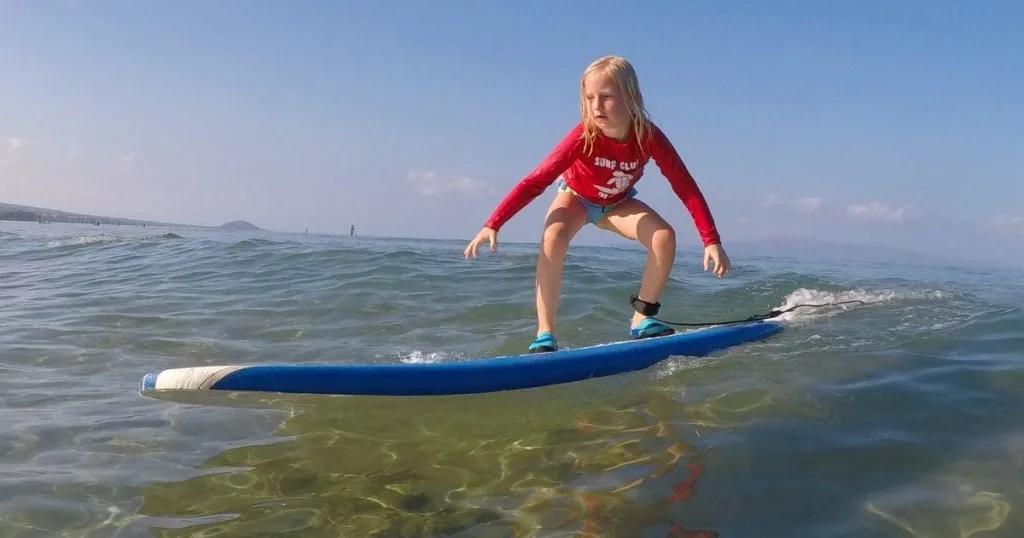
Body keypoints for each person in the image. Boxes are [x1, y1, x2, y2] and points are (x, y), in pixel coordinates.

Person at [464, 55, 730, 353]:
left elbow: (685, 186)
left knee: (663, 237)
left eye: (605, 97)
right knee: (553, 237)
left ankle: (642, 319)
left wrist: (710, 240)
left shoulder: (648, 137)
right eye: (589, 98)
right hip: (575, 197)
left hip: (617, 203)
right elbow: (536, 180)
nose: (595, 106)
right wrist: (493, 223)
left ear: (631, 97)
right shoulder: (582, 136)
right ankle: (545, 333)